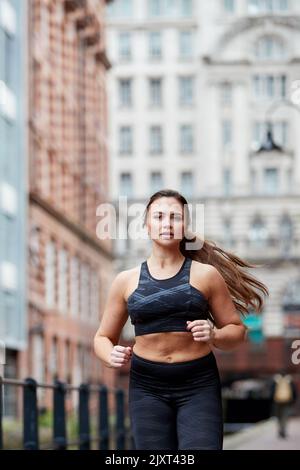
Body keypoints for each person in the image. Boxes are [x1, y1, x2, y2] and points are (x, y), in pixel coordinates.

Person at [94, 189, 269, 450]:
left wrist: (214, 334)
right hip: (147, 385)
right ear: (146, 224)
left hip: (198, 384)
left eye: (175, 217)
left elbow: (237, 331)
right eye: (159, 216)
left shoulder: (205, 275)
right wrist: (109, 355)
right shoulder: (125, 280)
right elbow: (102, 337)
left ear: (185, 225)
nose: (167, 223)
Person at [271, 372, 298, 438]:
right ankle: (283, 430)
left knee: (278, 417)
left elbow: (271, 391)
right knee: (285, 417)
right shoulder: (289, 380)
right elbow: (294, 391)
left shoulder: (276, 380)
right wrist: (293, 401)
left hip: (277, 401)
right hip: (287, 401)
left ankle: (280, 430)